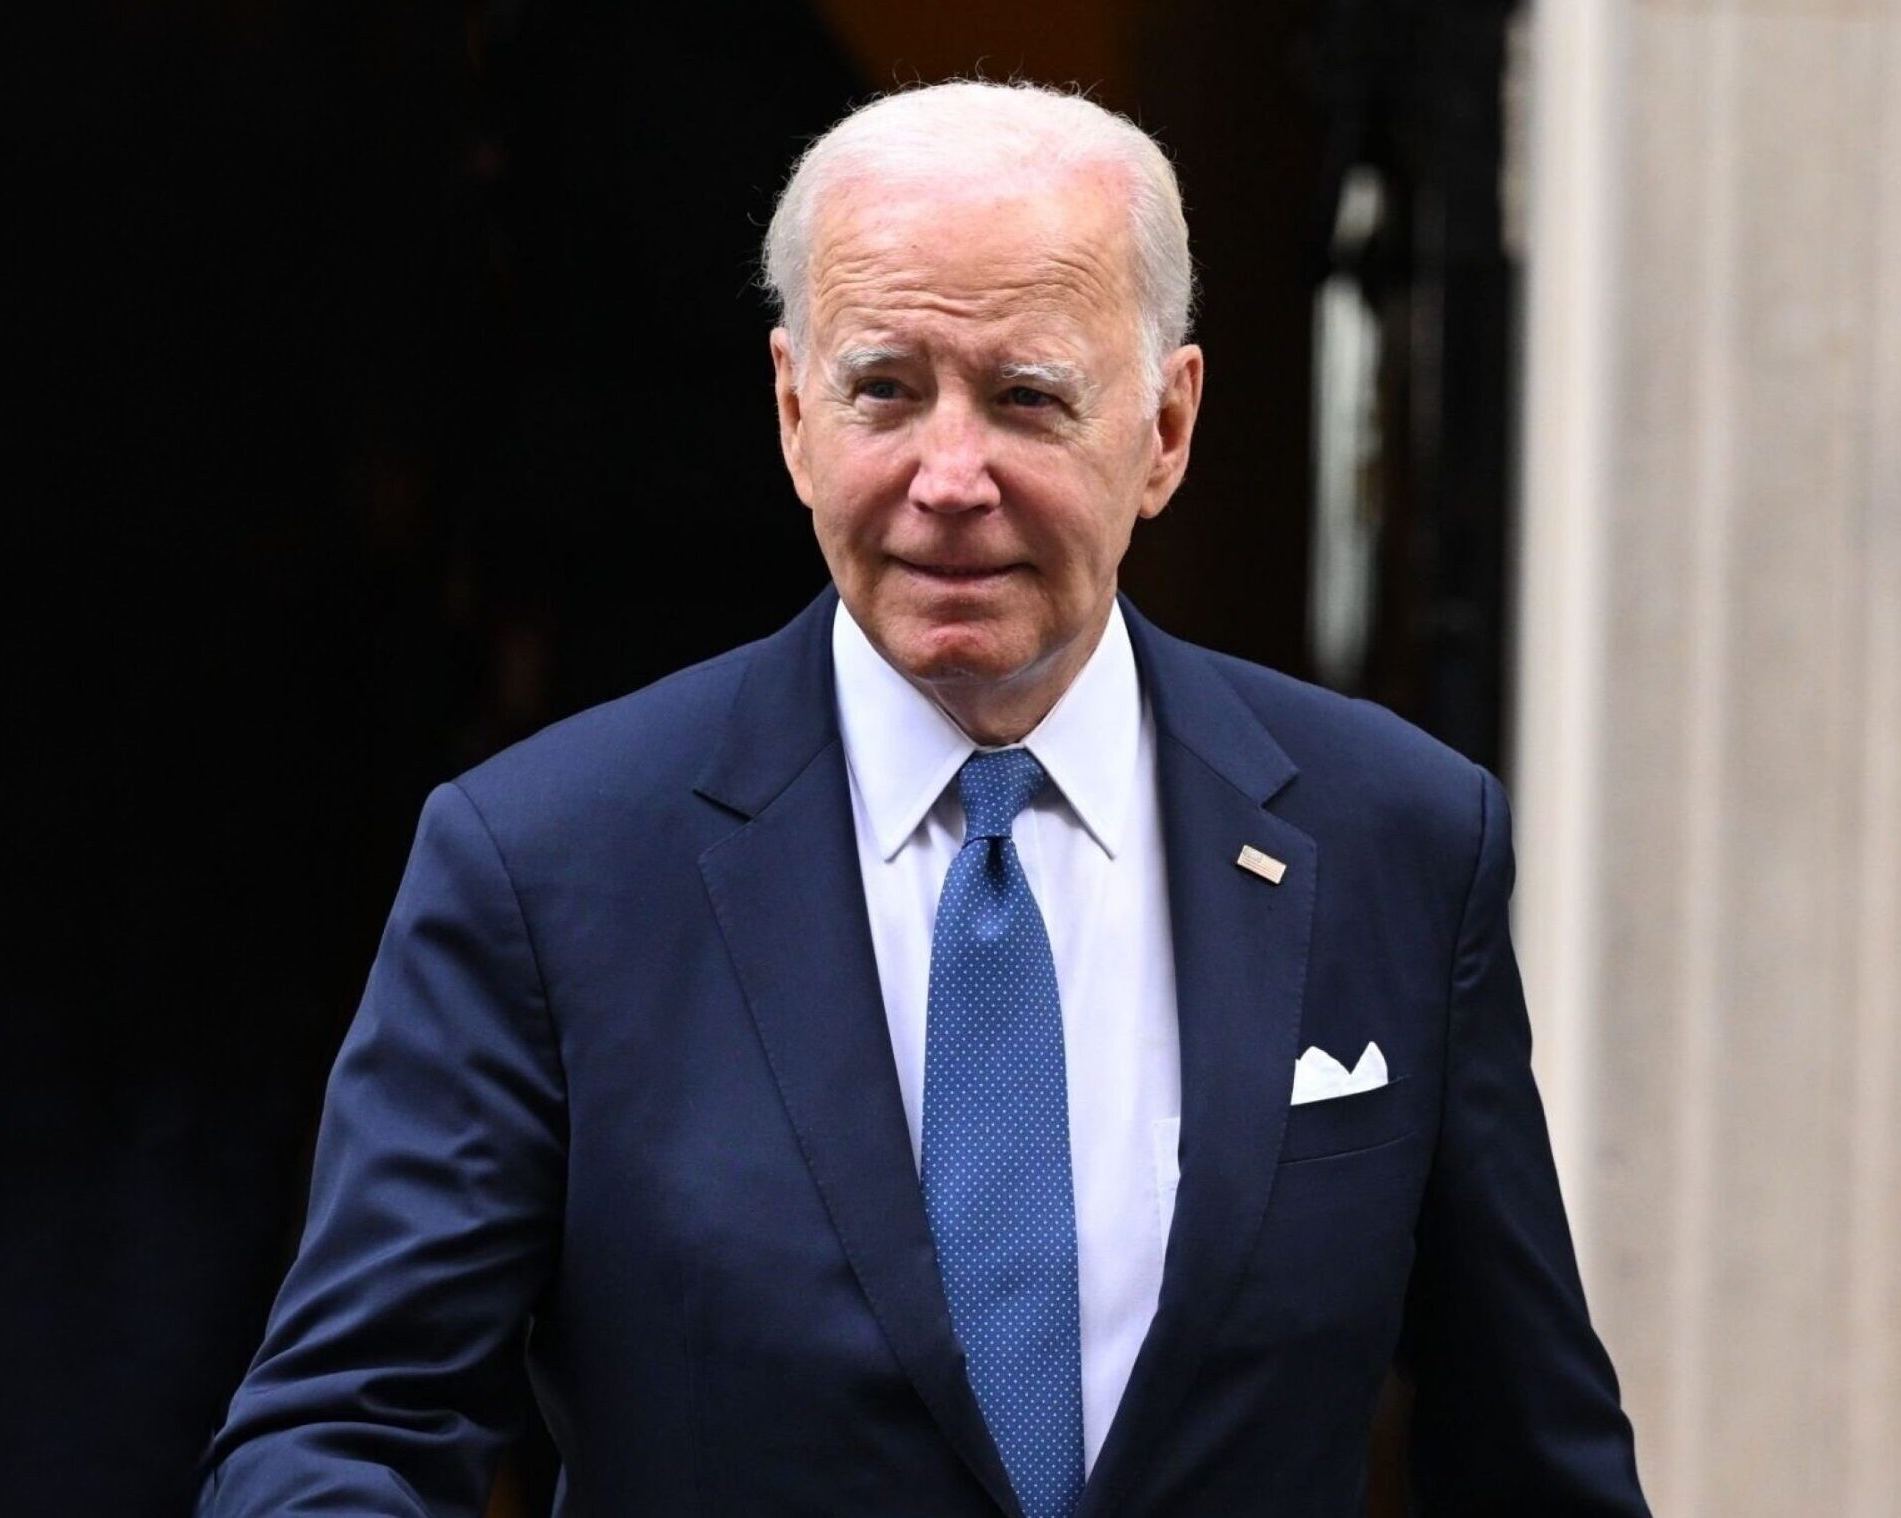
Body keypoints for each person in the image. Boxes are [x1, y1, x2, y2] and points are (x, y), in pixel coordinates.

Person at [196, 80, 1650, 1517]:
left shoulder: (1394, 838)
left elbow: (1533, 1454)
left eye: (1026, 397)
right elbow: (343, 1438)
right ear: (791, 411)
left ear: (1165, 427)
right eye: (884, 390)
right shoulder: (547, 864)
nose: (949, 478)